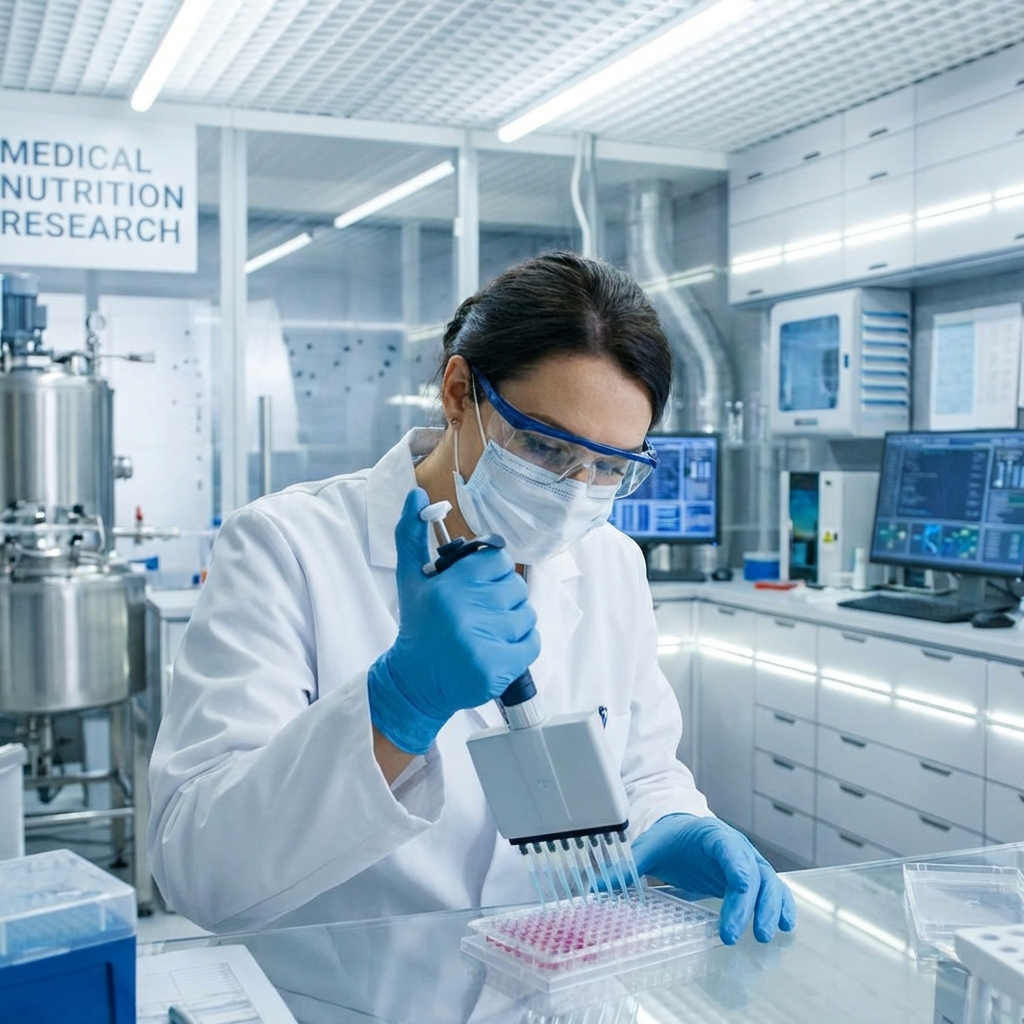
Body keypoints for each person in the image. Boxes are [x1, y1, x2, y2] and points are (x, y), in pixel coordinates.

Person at [148, 252, 795, 944]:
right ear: (460, 393)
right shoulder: (286, 547)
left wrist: (674, 820)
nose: (575, 491)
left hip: (558, 979)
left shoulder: (611, 562)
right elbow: (199, 869)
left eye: (611, 466)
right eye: (546, 447)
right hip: (357, 992)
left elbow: (642, 770)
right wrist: (399, 704)